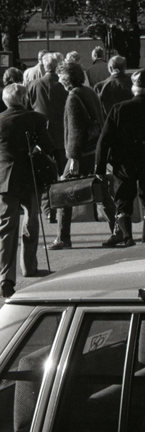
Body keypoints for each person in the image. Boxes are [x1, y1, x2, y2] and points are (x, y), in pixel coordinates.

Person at [95, 67, 145, 246]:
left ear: (133, 89)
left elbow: (103, 141)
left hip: (123, 164)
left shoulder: (118, 109)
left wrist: (99, 167)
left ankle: (128, 236)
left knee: (123, 201)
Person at [0, 84, 54, 296]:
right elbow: (48, 146)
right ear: (24, 99)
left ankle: (6, 276)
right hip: (30, 175)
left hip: (5, 177)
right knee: (31, 220)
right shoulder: (36, 118)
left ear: (5, 101)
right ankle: (29, 266)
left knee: (6, 226)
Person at [54, 61, 114, 250]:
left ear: (66, 78)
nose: (59, 81)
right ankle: (120, 230)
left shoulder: (73, 96)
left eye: (60, 77)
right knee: (101, 192)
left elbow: (75, 131)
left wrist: (73, 159)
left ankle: (63, 238)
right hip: (94, 150)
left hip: (81, 153)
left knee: (64, 193)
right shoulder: (89, 92)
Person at [30, 54, 67, 230]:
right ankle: (62, 209)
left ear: (44, 66)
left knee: (45, 175)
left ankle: (48, 210)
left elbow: (28, 108)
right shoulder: (63, 85)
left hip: (42, 136)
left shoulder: (34, 85)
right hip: (61, 135)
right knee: (63, 175)